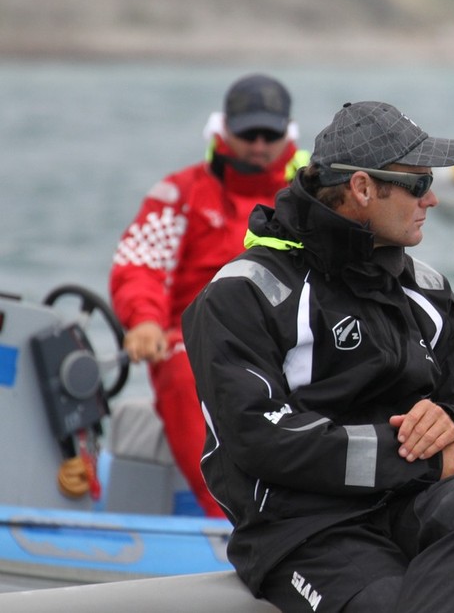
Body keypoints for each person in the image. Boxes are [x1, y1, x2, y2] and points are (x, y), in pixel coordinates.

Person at [181, 101, 454, 612]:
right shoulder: (242, 294)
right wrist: (423, 458)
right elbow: (264, 441)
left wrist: (451, 423)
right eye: (419, 182)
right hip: (303, 529)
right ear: (362, 188)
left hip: (404, 504)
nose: (432, 199)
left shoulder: (426, 287)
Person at [110, 74, 309, 517]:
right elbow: (140, 261)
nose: (258, 145)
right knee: (184, 374)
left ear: (288, 132)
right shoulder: (179, 194)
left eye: (270, 135)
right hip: (196, 342)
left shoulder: (314, 193)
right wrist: (143, 319)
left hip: (293, 337)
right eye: (247, 134)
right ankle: (232, 519)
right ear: (223, 130)